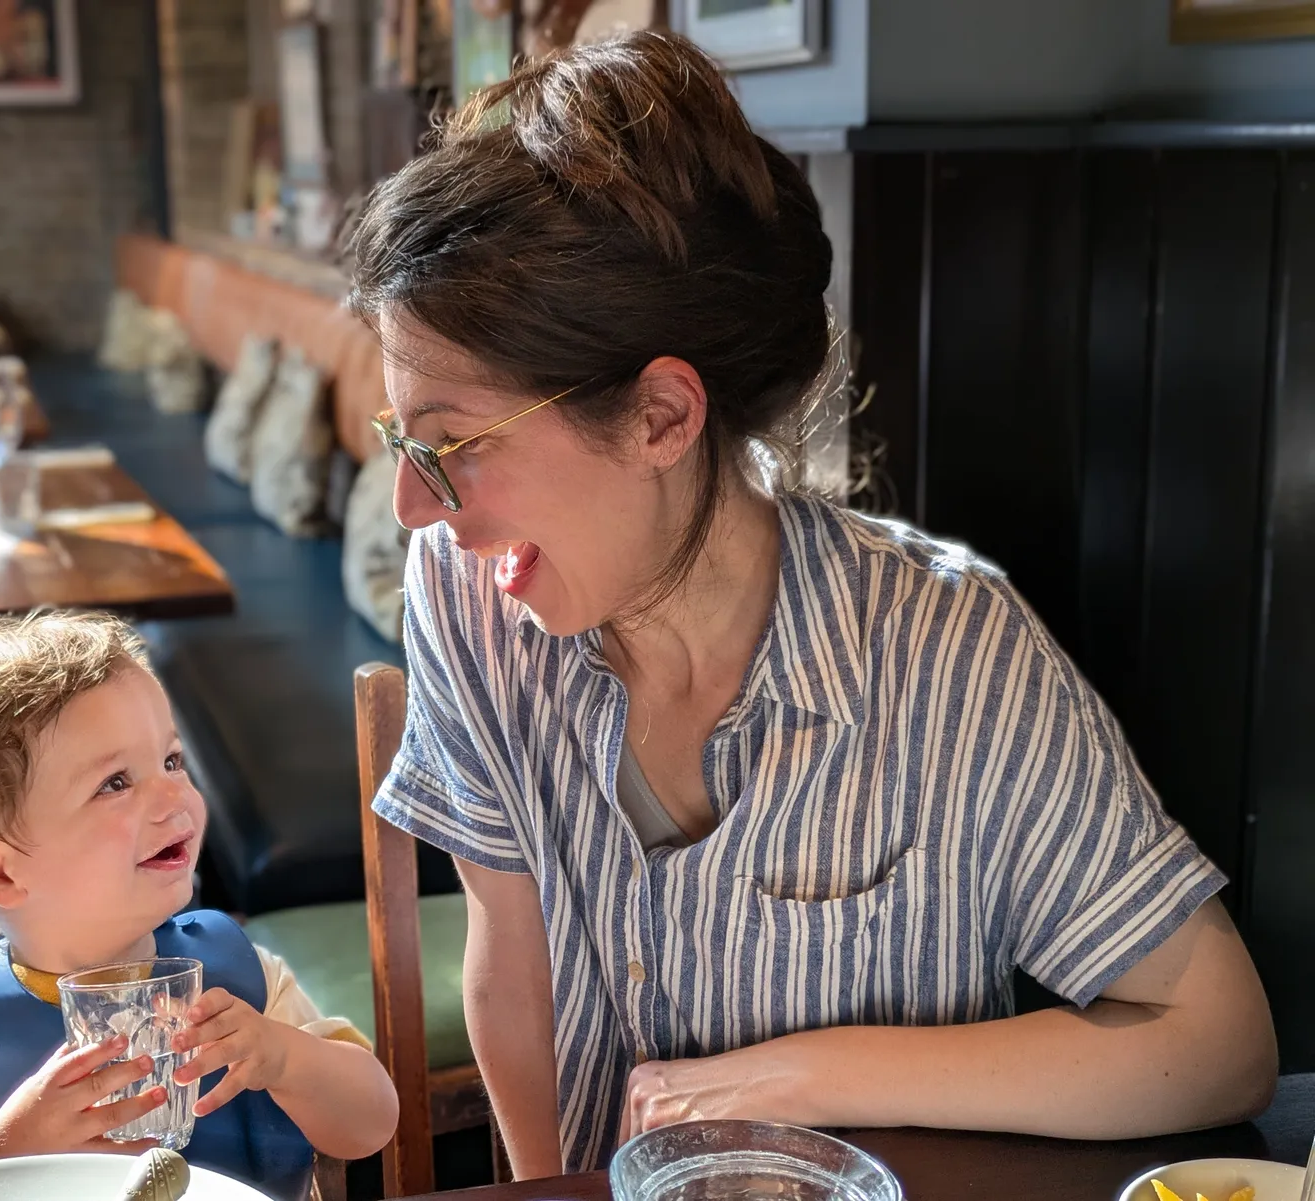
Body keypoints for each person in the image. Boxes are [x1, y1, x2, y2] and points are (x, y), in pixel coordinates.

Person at [344, 30, 1278, 1178]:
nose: (412, 507)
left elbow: (1219, 1042)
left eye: (449, 447)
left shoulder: (940, 654)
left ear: (660, 418)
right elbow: (511, 956)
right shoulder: (469, 595)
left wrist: (802, 1076)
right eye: (402, 442)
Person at [0, 612, 398, 1200]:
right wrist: (2, 1149)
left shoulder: (241, 973)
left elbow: (372, 1125)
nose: (175, 796)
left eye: (172, 760)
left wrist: (282, 1057)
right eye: (115, 783)